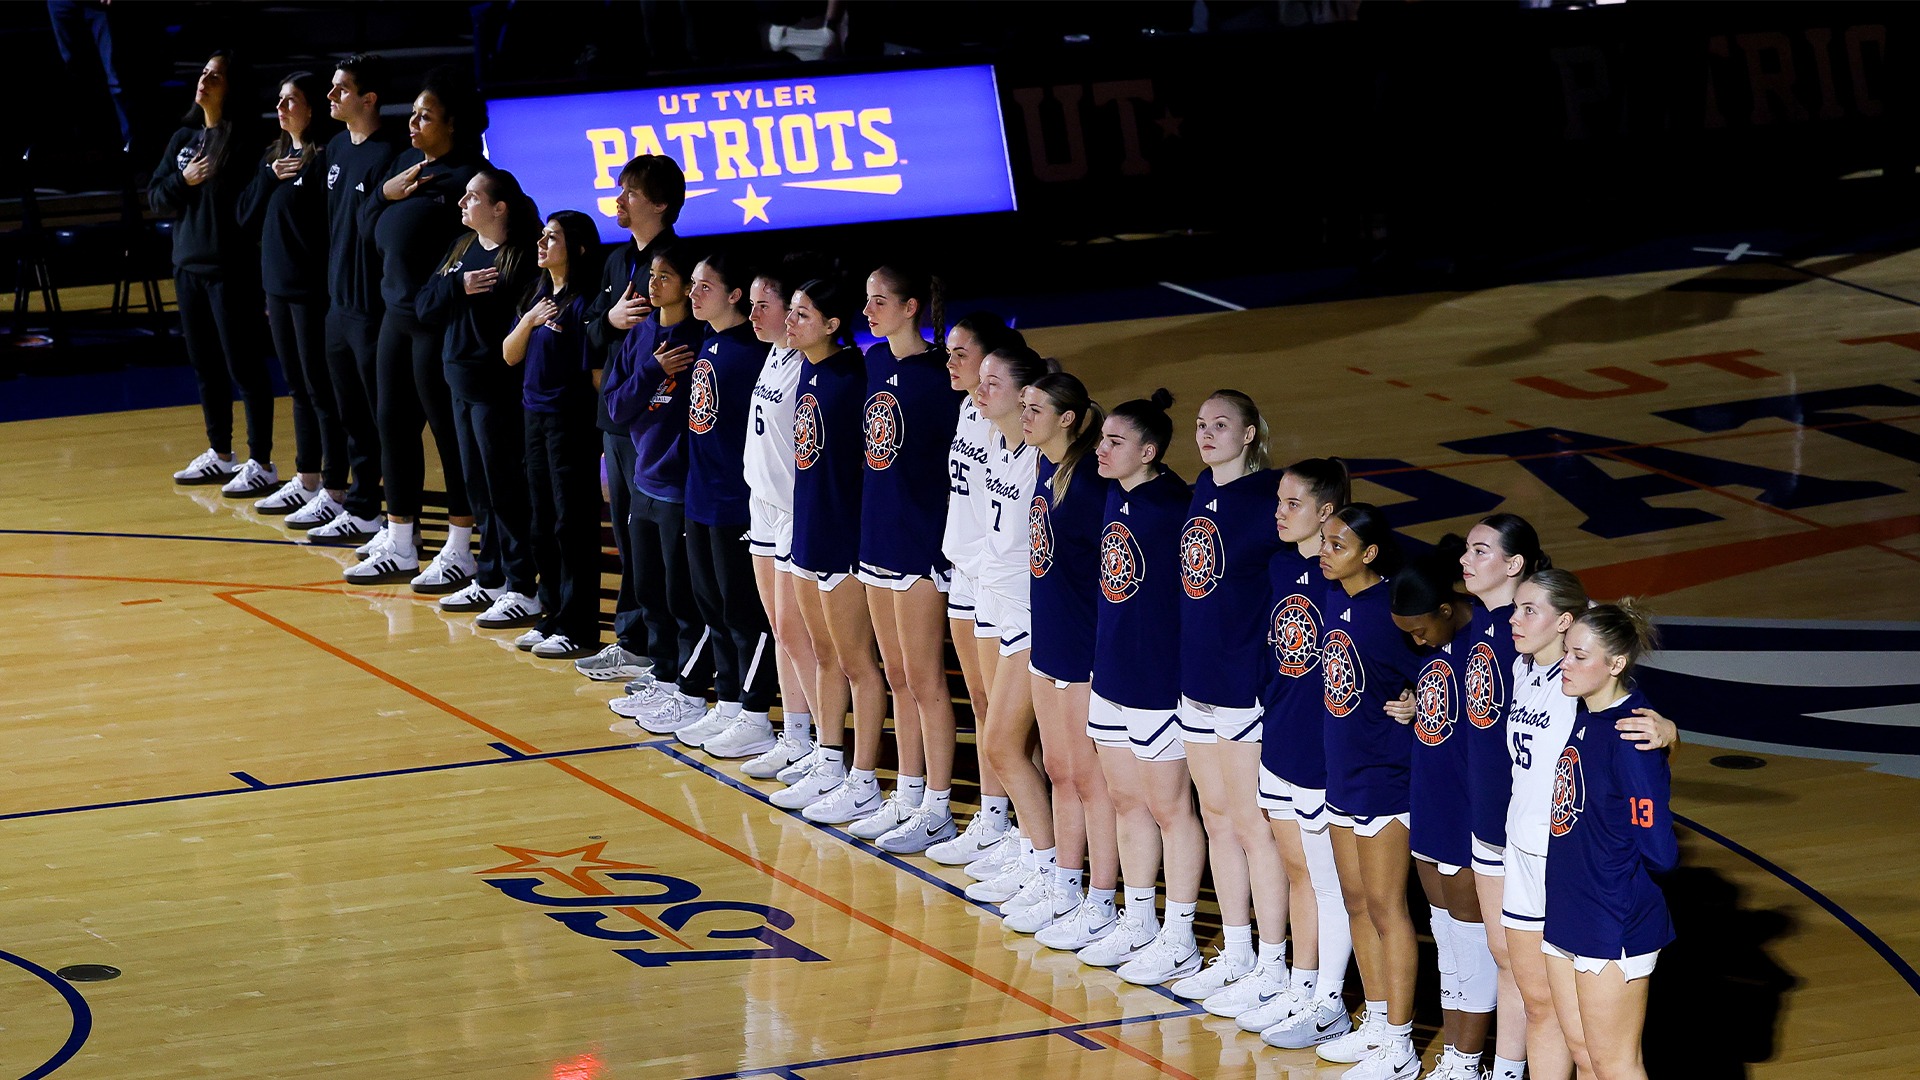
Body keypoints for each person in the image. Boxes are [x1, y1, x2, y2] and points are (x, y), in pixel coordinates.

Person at [1505, 571, 1675, 1080]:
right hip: (1568, 905)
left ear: (1615, 664)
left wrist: (1668, 732)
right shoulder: (1584, 714)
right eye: (1569, 652)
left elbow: (1661, 851)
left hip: (1612, 915)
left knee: (1615, 1062)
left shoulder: (1632, 733)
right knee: (1580, 1048)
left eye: (1580, 656)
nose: (1568, 663)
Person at [1075, 391, 1206, 984]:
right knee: (1127, 801)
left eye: (1115, 443)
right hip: (1112, 674)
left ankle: (1180, 937)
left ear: (1149, 452)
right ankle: (1139, 919)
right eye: (1102, 440)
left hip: (1157, 682)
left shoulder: (1176, 508)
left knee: (1170, 808)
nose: (1100, 450)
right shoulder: (1113, 495)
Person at [1170, 391, 1291, 1009]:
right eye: (1200, 424)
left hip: (1244, 686)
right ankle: (1237, 950)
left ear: (1248, 435)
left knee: (1251, 825)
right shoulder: (1199, 490)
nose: (1207, 433)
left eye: (1221, 425)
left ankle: (1274, 963)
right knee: (1216, 818)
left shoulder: (1268, 499)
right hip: (1197, 681)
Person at [348, 67, 485, 584]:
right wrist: (386, 194)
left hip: (439, 324)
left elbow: (484, 249)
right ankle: (402, 540)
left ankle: (459, 548)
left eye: (425, 116)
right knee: (393, 429)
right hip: (395, 319)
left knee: (450, 438)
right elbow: (364, 229)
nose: (413, 123)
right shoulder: (405, 165)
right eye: (412, 114)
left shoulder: (468, 179)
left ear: (452, 123)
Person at [846, 265, 965, 854]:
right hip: (876, 539)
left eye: (880, 301)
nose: (868, 311)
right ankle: (908, 789)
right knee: (895, 676)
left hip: (920, 544)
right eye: (866, 301)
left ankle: (939, 806)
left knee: (924, 679)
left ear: (912, 305)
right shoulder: (871, 364)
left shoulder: (941, 376)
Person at [1242, 459, 1357, 1049]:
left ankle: (1330, 1000)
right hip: (1280, 738)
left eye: (1292, 504)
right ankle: (1302, 981)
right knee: (1296, 870)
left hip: (1321, 752)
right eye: (1279, 503)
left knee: (1326, 879)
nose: (1279, 513)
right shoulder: (1280, 565)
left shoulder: (1351, 582)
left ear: (1326, 511)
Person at [768, 275, 890, 823]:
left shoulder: (852, 380)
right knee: (821, 656)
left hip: (843, 543)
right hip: (808, 534)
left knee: (857, 662)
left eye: (800, 315)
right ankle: (828, 760)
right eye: (790, 313)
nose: (788, 324)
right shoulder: (808, 372)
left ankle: (863, 778)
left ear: (833, 325)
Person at [1316, 503, 1423, 1080]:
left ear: (1370, 554)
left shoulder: (1390, 612)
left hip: (1386, 776)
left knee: (1387, 907)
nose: (1326, 553)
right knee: (1357, 901)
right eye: (1326, 542)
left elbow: (1438, 664)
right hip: (1342, 773)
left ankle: (1402, 1043)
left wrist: (1414, 704)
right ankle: (1378, 1019)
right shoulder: (1336, 599)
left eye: (1337, 545)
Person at [572, 154, 685, 686]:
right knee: (625, 534)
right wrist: (610, 319)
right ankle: (630, 637)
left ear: (659, 204)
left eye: (630, 193)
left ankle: (657, 649)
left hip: (654, 424)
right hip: (615, 417)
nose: (618, 200)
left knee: (652, 540)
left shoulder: (678, 263)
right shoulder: (618, 261)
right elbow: (589, 326)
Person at [416, 165, 545, 629]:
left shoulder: (520, 258)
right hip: (460, 388)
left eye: (472, 197)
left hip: (497, 391)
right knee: (478, 487)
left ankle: (521, 587)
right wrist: (457, 286)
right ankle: (490, 577)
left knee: (505, 489)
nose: (462, 203)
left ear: (499, 206)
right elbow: (424, 305)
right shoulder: (462, 249)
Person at [665, 252, 783, 757]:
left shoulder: (752, 354)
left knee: (744, 615)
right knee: (712, 608)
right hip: (701, 498)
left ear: (734, 295)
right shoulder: (708, 343)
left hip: (737, 503)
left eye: (704, 286)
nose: (693, 294)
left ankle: (756, 714)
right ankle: (729, 704)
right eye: (692, 285)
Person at [1018, 372, 1121, 948]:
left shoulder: (1090, 484)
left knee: (1089, 778)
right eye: (1024, 405)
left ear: (1067, 418)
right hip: (1048, 640)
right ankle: (1065, 881)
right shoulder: (1044, 469)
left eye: (1036, 408)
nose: (1024, 416)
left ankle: (1102, 898)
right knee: (1059, 769)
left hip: (1082, 648)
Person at [1389, 538, 1496, 1080]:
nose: (1417, 640)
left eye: (1421, 629)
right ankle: (1455, 1055)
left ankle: (1472, 1060)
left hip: (1467, 812)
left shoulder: (1491, 645)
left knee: (1471, 940)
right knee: (1447, 938)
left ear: (1448, 610)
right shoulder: (1440, 647)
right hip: (1430, 804)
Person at [925, 313, 1025, 869]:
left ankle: (1018, 828)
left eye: (962, 353)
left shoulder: (1007, 424)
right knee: (983, 703)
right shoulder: (967, 409)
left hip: (997, 582)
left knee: (1007, 717)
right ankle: (992, 816)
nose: (952, 363)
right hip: (965, 573)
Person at [603, 247, 715, 733]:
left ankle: (690, 691)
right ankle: (664, 677)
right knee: (648, 587)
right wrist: (652, 370)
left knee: (680, 595)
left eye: (665, 276)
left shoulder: (699, 341)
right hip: (641, 479)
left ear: (687, 286)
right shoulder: (643, 333)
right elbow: (614, 408)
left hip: (679, 488)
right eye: (652, 274)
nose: (653, 284)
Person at [956, 346, 1049, 926]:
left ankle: (1049, 866)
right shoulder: (994, 441)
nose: (979, 390)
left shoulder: (1042, 460)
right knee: (1009, 737)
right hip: (991, 600)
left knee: (1001, 745)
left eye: (993, 382)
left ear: (1024, 395)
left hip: (1030, 617)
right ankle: (1028, 848)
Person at [155, 51, 276, 497]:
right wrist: (182, 180)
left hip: (230, 271)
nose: (204, 80)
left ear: (233, 88)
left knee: (244, 366)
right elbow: (157, 196)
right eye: (203, 72)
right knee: (205, 366)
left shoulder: (243, 140)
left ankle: (261, 461)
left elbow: (248, 210)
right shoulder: (184, 137)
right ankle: (221, 454)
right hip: (187, 268)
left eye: (216, 76)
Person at [1460, 513, 1550, 1080]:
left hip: (1527, 827)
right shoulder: (1478, 624)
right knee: (1503, 954)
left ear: (1515, 565)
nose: (1466, 559)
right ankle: (1507, 1066)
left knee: (1533, 970)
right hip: (1486, 815)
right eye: (1466, 550)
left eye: (1480, 550)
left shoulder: (1536, 639)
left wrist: (1661, 728)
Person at [302, 53, 400, 544]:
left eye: (340, 89)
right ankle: (360, 504)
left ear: (368, 98)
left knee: (381, 416)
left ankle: (383, 511)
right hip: (337, 304)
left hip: (372, 308)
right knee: (349, 414)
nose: (330, 96)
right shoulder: (336, 148)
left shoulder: (392, 152)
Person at [238, 70, 343, 521]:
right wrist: (267, 176)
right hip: (276, 292)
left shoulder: (324, 160)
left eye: (291, 100)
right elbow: (244, 216)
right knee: (298, 386)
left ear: (312, 108)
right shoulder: (274, 156)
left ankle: (334, 488)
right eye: (278, 100)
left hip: (310, 293)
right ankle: (307, 478)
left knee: (321, 390)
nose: (281, 109)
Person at [735, 256, 823, 782]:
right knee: (781, 630)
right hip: (762, 508)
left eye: (763, 306)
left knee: (798, 632)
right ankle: (793, 737)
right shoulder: (772, 357)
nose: (755, 315)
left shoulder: (812, 366)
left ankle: (820, 745)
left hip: (794, 513)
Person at [503, 209, 606, 658]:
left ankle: (579, 626)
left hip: (571, 422)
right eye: (542, 236)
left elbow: (596, 373)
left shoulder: (586, 303)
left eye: (553, 238)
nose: (542, 244)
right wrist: (528, 320)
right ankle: (551, 616)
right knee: (541, 523)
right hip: (532, 419)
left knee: (573, 525)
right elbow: (510, 356)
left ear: (578, 249)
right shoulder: (538, 294)